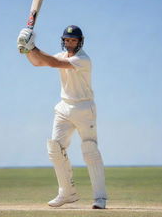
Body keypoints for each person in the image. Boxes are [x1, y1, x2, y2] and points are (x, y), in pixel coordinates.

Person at [17, 25, 107, 209]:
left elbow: (52, 63)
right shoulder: (61, 55)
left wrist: (32, 46)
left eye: (73, 40)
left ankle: (100, 198)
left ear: (80, 41)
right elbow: (38, 62)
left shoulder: (83, 59)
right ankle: (67, 193)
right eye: (67, 40)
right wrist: (26, 48)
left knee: (90, 150)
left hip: (84, 107)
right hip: (64, 107)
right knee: (55, 149)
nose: (69, 43)